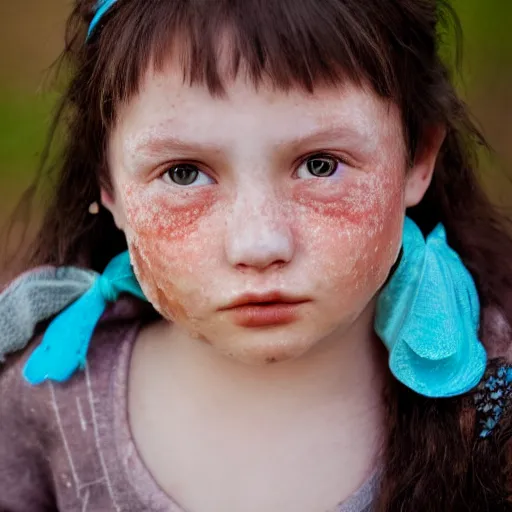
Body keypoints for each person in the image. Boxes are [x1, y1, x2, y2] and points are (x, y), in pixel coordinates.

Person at [1, 0, 511, 510]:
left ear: (416, 159)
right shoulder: (43, 406)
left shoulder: (496, 399)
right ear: (108, 185)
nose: (260, 244)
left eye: (319, 165)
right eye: (183, 173)